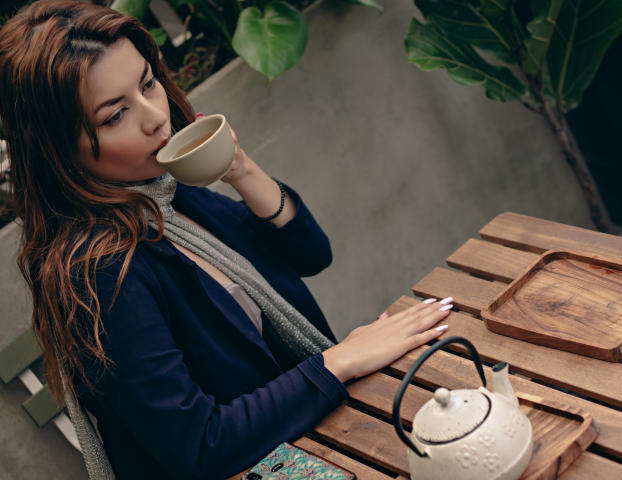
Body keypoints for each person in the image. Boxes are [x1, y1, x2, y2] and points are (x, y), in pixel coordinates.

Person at [0, 1, 452, 478]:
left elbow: (311, 254)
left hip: (310, 444)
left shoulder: (169, 196)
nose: (156, 117)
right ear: (59, 152)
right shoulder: (96, 271)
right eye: (115, 116)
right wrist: (338, 362)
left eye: (148, 83)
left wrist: (240, 169)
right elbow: (199, 446)